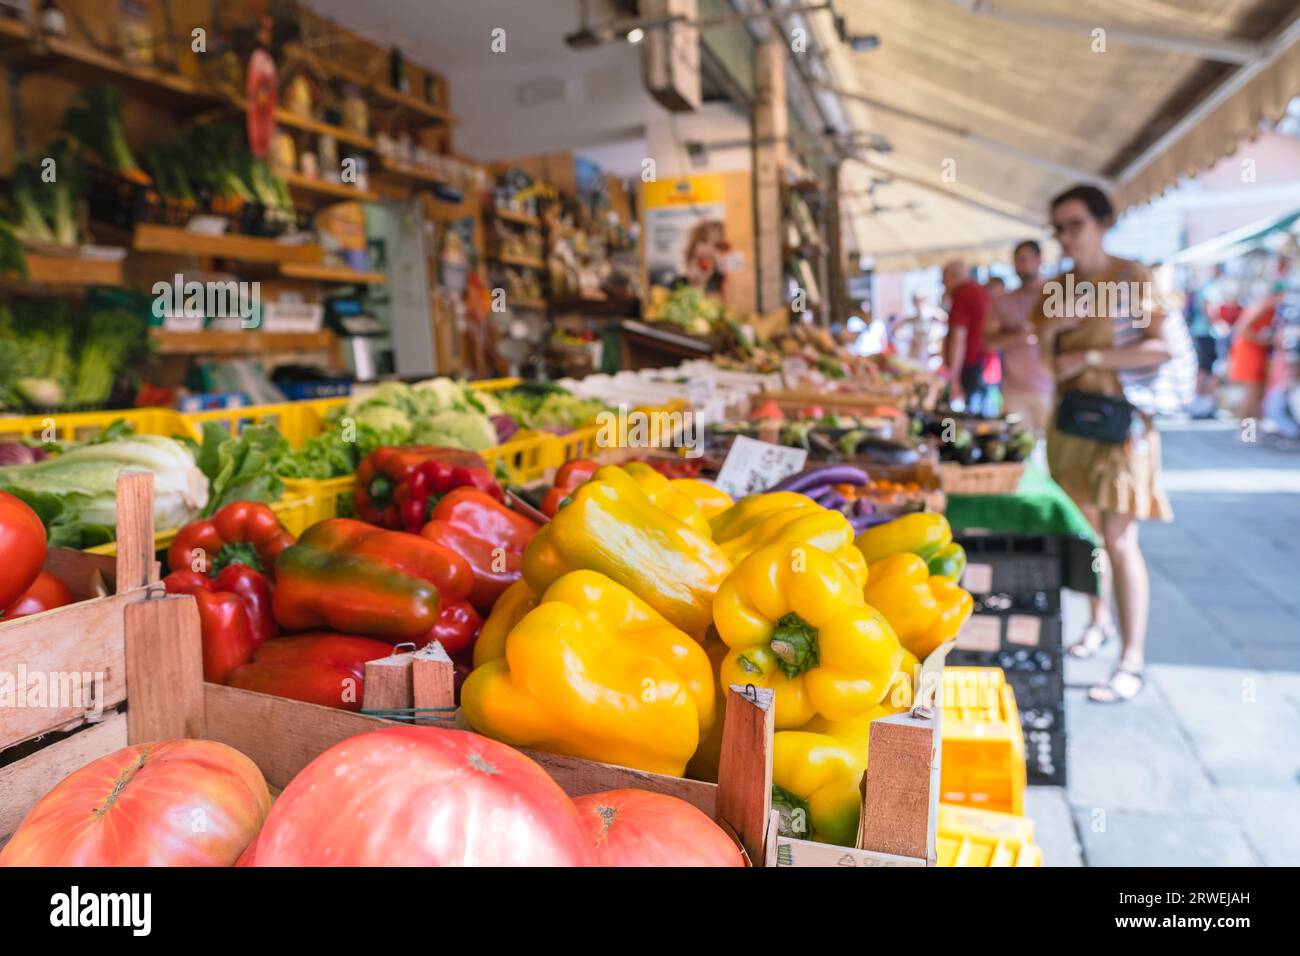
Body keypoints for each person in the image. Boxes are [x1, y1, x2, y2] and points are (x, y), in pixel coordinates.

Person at [1032, 184, 1173, 704]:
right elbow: (1045, 354)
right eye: (1059, 227)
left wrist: (1092, 359)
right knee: (1087, 535)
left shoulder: (1134, 277)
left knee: (1120, 539)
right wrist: (1056, 330)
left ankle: (1131, 657)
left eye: (1075, 225)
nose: (1066, 236)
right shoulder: (1058, 286)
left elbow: (1161, 348)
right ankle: (1098, 622)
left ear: (1103, 222)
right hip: (1071, 423)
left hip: (1121, 425)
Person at [985, 240, 1053, 434]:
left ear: (1039, 260)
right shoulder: (1003, 301)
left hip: (1052, 388)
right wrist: (1018, 336)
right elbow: (988, 342)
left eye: (1024, 259)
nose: (1020, 266)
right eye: (1017, 261)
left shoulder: (1059, 296)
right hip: (1015, 390)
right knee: (1017, 449)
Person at [1228, 273, 1285, 423]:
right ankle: (1247, 432)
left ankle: (1251, 430)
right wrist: (1265, 341)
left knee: (1256, 392)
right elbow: (1242, 328)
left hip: (1255, 351)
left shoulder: (1267, 307)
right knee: (1251, 392)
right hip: (1249, 351)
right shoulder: (1264, 306)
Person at [942, 260, 991, 413]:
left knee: (965, 413)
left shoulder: (963, 295)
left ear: (954, 276)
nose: (944, 285)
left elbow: (958, 339)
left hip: (969, 364)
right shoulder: (979, 291)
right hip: (980, 361)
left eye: (944, 280)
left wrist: (954, 378)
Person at [1186, 265, 1230, 418]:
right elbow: (1210, 310)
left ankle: (1198, 404)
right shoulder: (1212, 288)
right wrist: (1218, 324)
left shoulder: (1204, 287)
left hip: (1199, 332)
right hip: (1207, 333)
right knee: (1209, 369)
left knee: (1204, 368)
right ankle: (1203, 404)